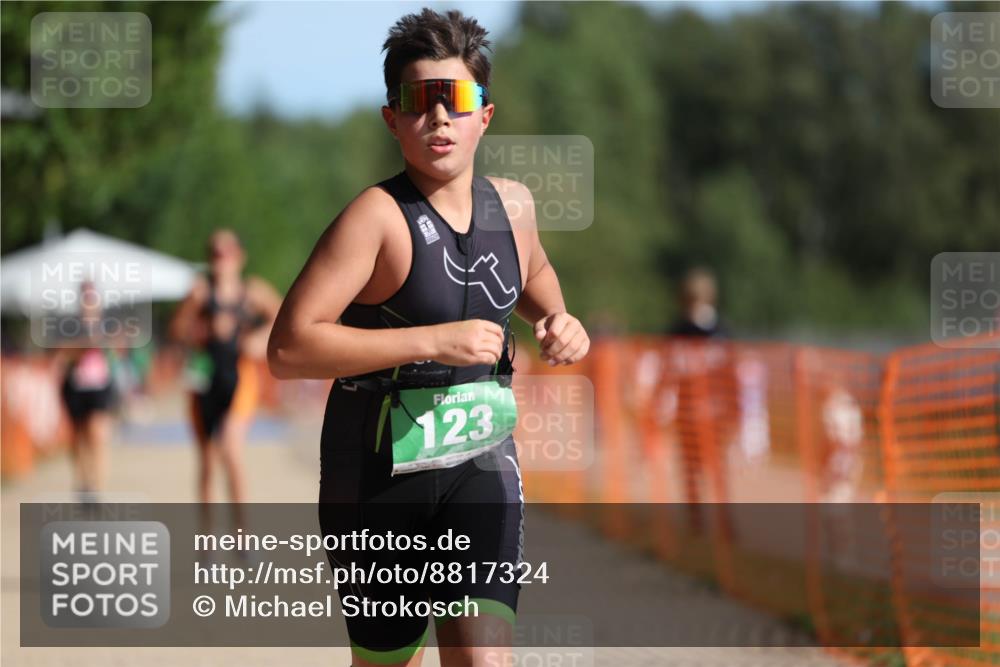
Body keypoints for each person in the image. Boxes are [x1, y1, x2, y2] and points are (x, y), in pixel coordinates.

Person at [267, 9, 590, 667]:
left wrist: (559, 317)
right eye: (418, 101)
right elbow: (289, 347)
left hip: (482, 462)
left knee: (485, 658)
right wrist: (431, 341)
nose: (438, 117)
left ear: (485, 115)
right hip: (379, 474)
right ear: (393, 119)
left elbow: (532, 271)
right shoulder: (376, 219)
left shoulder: (515, 207)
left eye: (456, 98)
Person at [169, 229, 282, 531]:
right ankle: (208, 540)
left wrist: (260, 338)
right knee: (206, 460)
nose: (221, 259)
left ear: (240, 257)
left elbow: (285, 316)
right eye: (215, 253)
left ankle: (242, 535)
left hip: (239, 374)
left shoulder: (253, 291)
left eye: (227, 252)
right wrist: (192, 312)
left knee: (231, 451)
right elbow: (177, 331)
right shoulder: (199, 292)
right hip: (204, 377)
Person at [55, 280, 119, 504]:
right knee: (78, 436)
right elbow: (61, 352)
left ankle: (96, 487)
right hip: (76, 386)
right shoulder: (69, 324)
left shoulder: (108, 324)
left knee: (97, 435)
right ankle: (83, 482)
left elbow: (119, 350)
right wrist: (83, 346)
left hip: (100, 386)